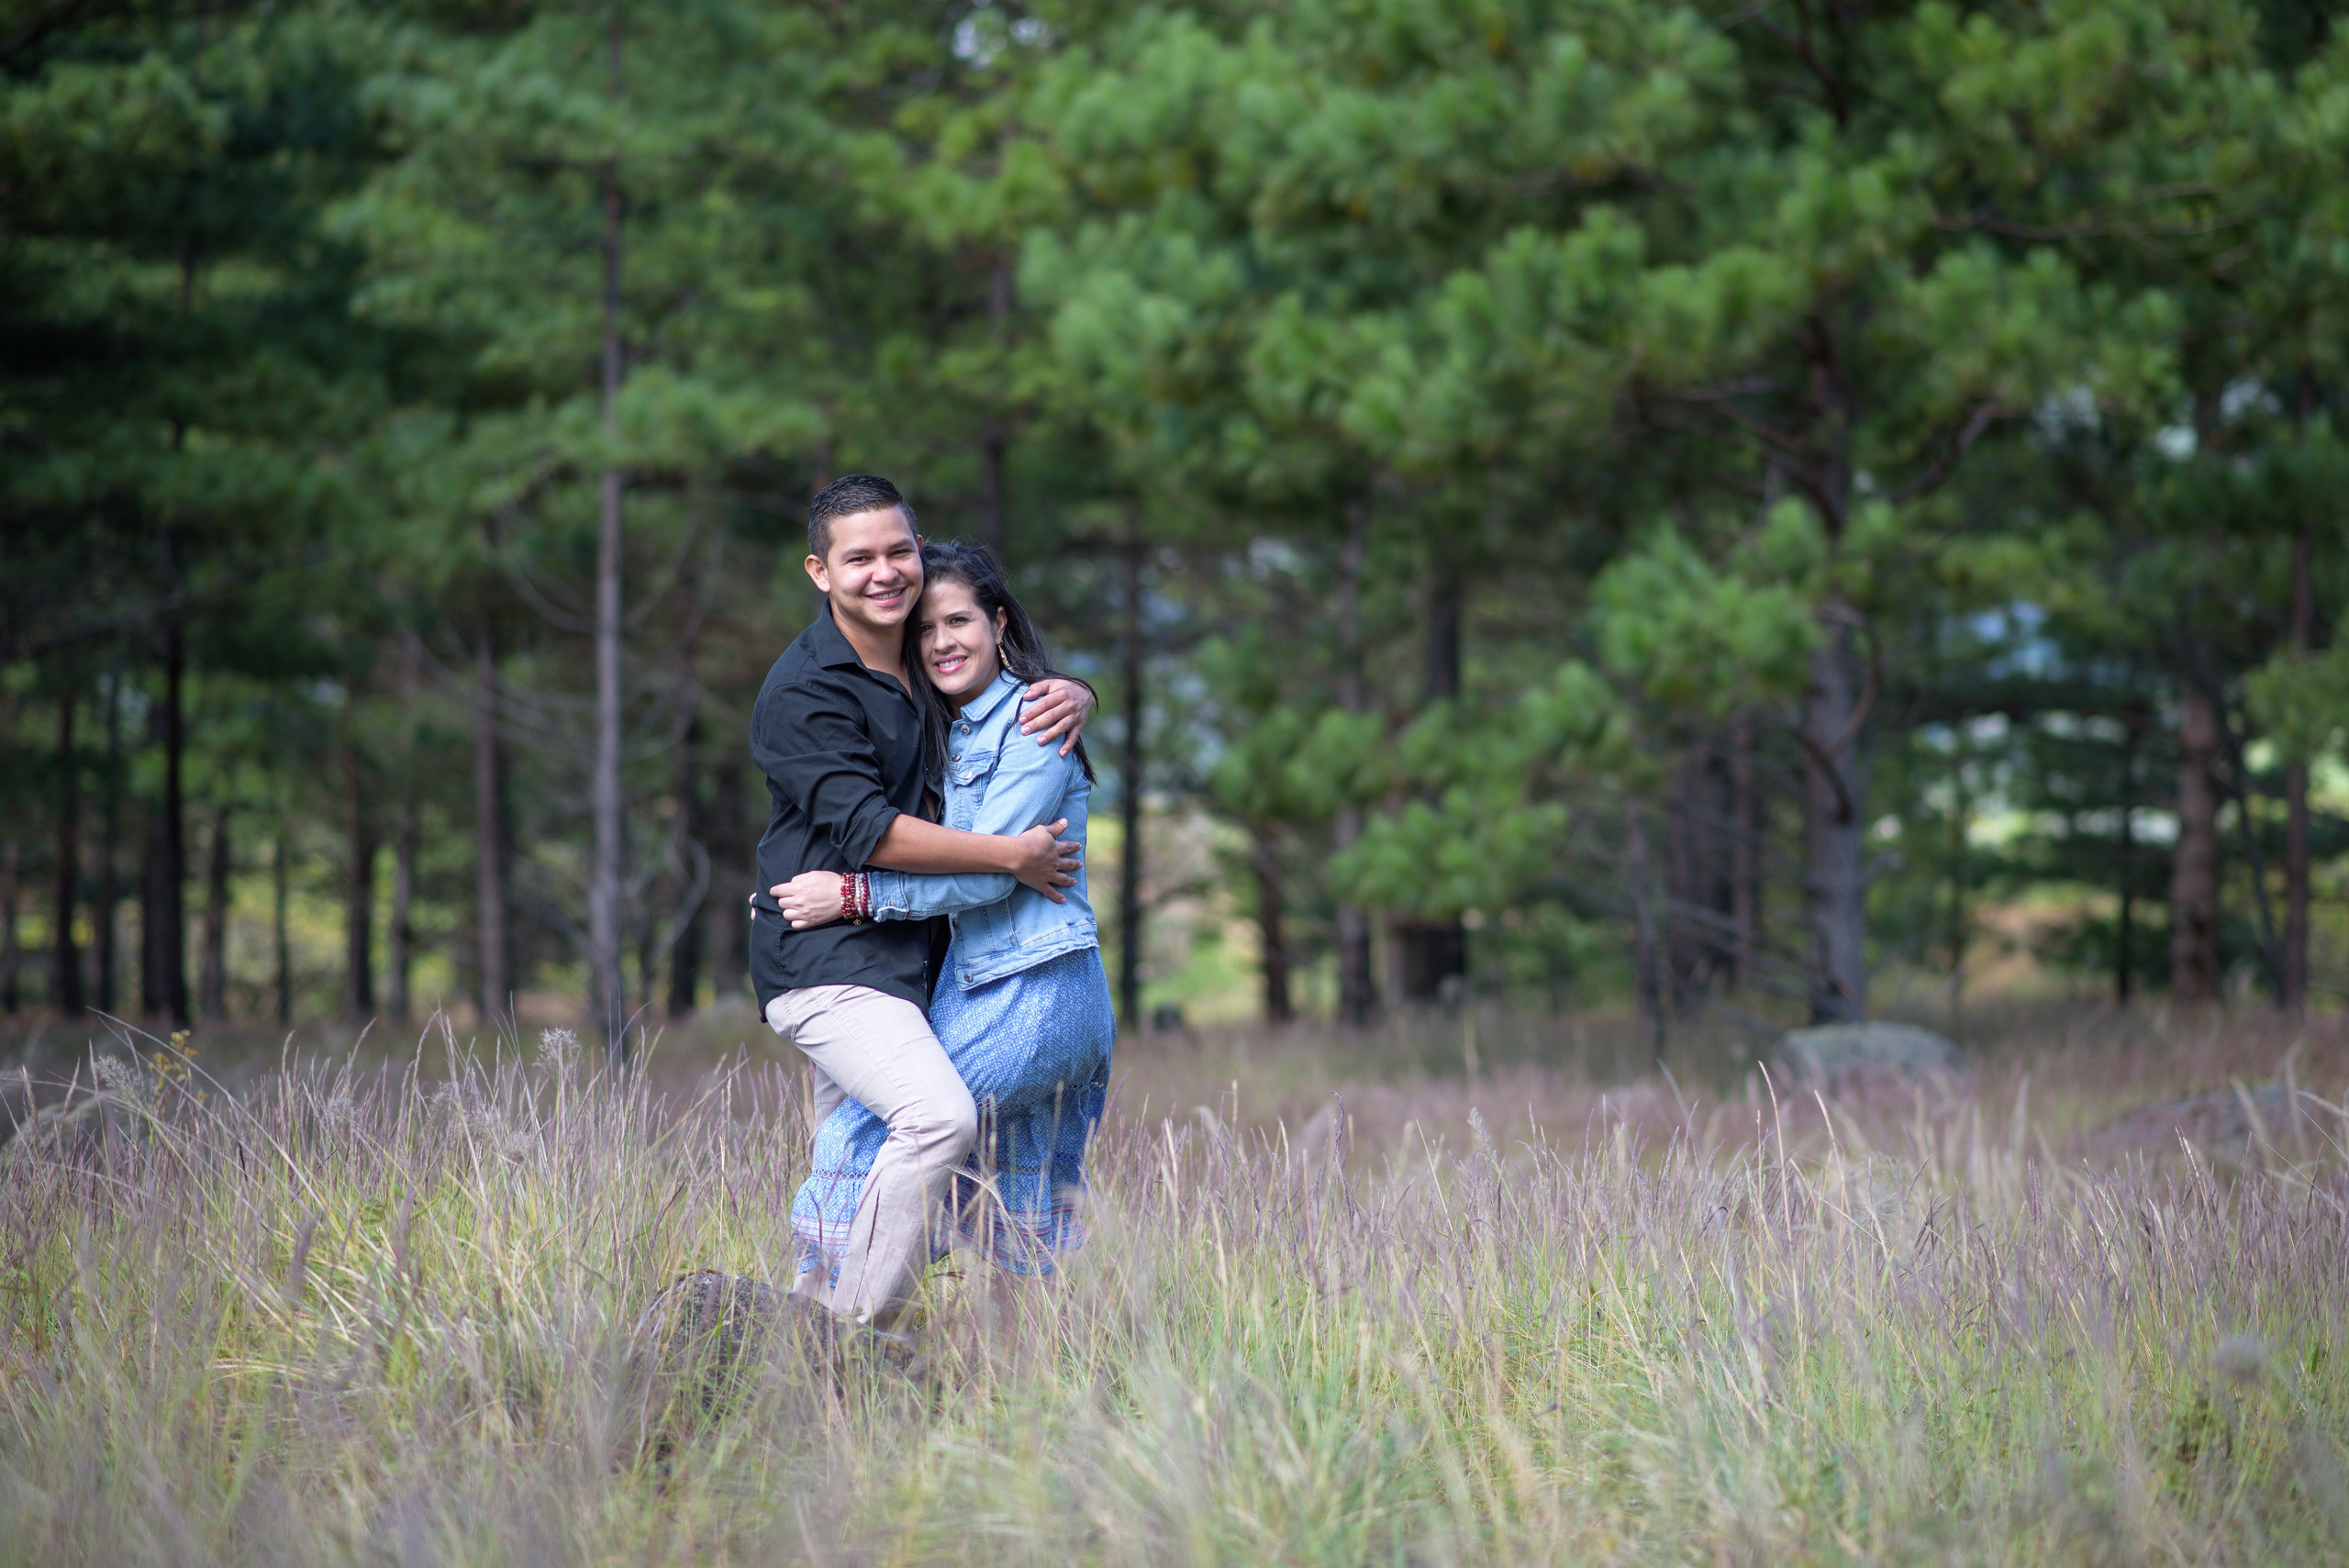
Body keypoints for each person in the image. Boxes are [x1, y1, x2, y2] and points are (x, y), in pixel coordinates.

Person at [750, 475, 1094, 1333]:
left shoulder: (911, 649)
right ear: (819, 571)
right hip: (826, 956)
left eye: (898, 550)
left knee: (853, 1168)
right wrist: (1010, 857)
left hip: (912, 968)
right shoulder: (803, 691)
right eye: (858, 557)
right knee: (935, 1119)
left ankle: (806, 1359)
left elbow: (990, 673)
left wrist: (1076, 689)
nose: (886, 573)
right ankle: (849, 1335)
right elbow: (870, 829)